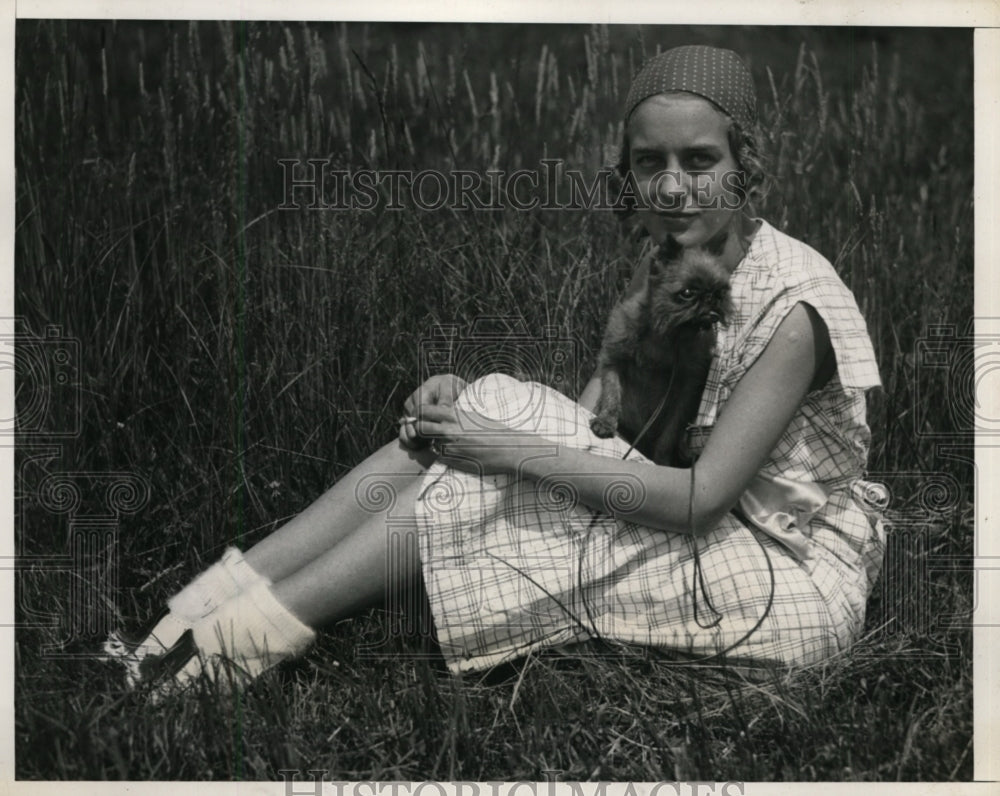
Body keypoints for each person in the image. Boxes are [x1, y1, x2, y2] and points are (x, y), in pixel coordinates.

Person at [104, 44, 887, 694]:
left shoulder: (796, 306)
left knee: (481, 470)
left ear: (745, 167)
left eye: (701, 160)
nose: (674, 186)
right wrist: (471, 419)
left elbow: (699, 501)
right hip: (687, 509)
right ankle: (182, 625)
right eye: (651, 163)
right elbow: (598, 424)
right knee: (466, 426)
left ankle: (223, 656)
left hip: (778, 568)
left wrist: (505, 452)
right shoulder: (679, 254)